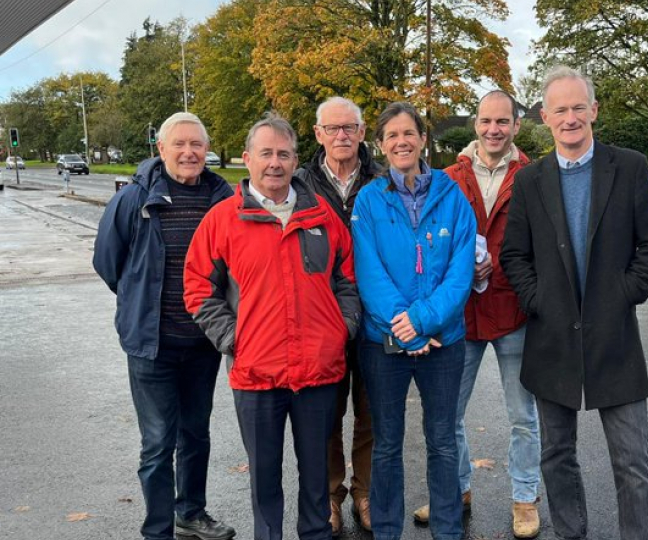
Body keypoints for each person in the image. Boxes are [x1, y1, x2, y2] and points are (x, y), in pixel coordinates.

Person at [500, 66, 648, 540]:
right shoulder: (530, 181)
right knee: (556, 455)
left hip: (614, 337)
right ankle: (571, 533)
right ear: (545, 117)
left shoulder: (630, 167)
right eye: (561, 109)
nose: (570, 117)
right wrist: (538, 301)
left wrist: (625, 293)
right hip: (551, 338)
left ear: (594, 110)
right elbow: (514, 255)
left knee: (632, 462)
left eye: (579, 107)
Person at [183, 113, 360, 540]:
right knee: (264, 478)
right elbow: (197, 288)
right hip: (255, 374)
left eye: (283, 154)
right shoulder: (223, 220)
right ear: (247, 159)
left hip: (318, 373)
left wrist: (342, 330)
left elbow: (348, 280)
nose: (275, 163)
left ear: (296, 159)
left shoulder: (322, 217)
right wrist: (233, 338)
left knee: (317, 474)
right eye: (266, 154)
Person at [92, 112, 235, 540]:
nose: (189, 152)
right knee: (157, 443)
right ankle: (157, 530)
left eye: (197, 145)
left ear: (206, 150)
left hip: (203, 343)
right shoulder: (134, 199)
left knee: (196, 434)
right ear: (162, 148)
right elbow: (107, 261)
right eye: (180, 144)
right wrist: (140, 299)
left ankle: (191, 513)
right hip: (151, 344)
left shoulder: (222, 198)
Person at [412, 90, 541, 538]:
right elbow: (427, 241)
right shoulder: (446, 178)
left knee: (523, 416)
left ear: (516, 126)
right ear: (475, 125)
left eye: (502, 122)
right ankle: (455, 490)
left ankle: (525, 498)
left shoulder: (533, 176)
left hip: (513, 311)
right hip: (460, 315)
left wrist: (500, 267)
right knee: (447, 415)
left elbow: (541, 244)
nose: (493, 129)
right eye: (486, 121)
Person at [351, 101, 476, 540]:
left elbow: (461, 273)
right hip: (383, 342)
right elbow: (368, 272)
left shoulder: (452, 196)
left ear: (423, 139)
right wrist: (403, 328)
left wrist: (422, 322)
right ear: (381, 145)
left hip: (444, 340)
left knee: (442, 441)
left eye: (409, 133)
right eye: (392, 136)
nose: (401, 141)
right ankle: (386, 530)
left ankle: (447, 530)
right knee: (386, 445)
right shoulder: (368, 200)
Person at [294, 96, 381, 535]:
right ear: (318, 135)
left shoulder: (383, 181)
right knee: (325, 413)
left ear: (362, 132)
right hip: (321, 318)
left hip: (377, 317)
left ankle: (365, 491)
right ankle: (331, 493)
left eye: (350, 127)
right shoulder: (299, 184)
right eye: (333, 128)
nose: (342, 136)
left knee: (371, 412)